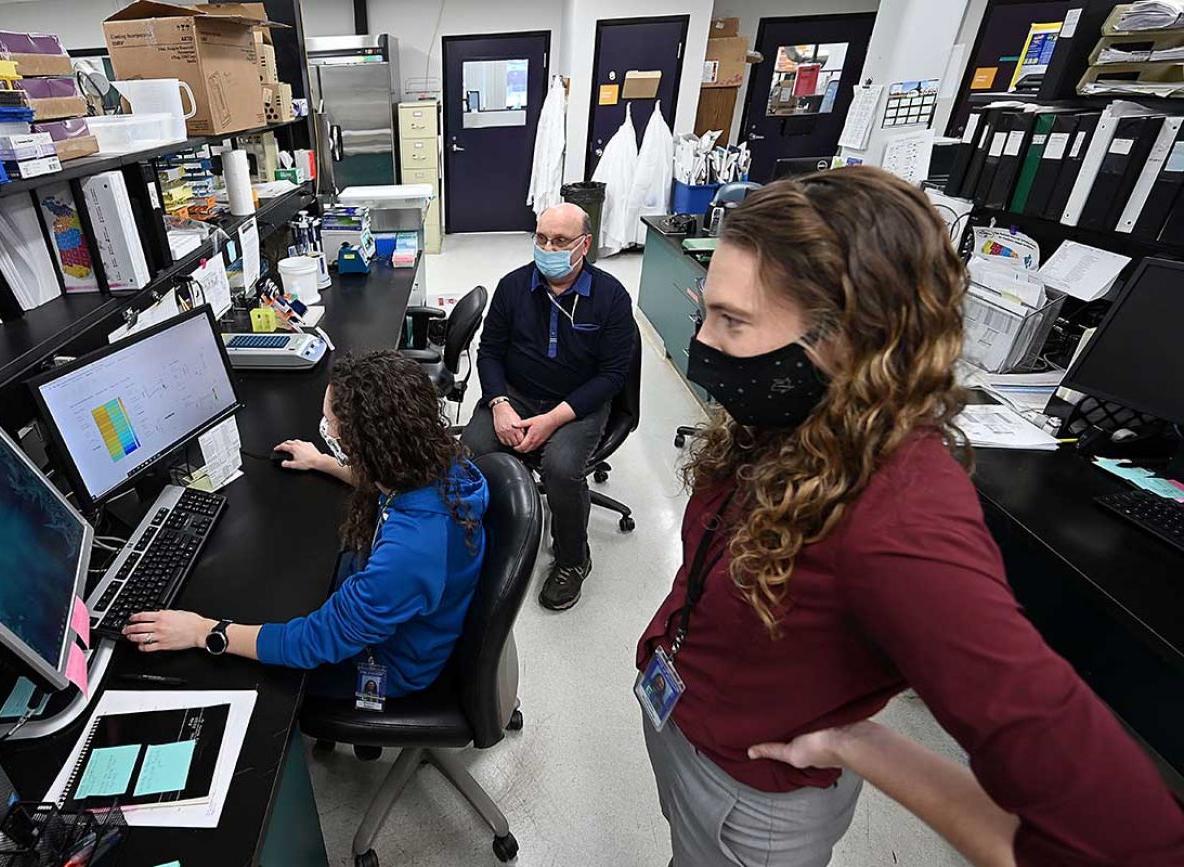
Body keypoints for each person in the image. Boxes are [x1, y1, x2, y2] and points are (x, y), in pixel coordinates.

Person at [635, 166, 1184, 866]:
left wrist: (869, 746)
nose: (703, 341)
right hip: (690, 721)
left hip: (751, 794)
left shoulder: (900, 520)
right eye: (705, 307)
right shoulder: (792, 413)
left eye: (732, 322)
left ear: (853, 338)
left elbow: (1127, 843)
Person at [124, 351, 489, 700]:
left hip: (390, 666)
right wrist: (325, 463)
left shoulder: (411, 552)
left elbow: (313, 643)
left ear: (368, 446)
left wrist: (204, 631)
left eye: (331, 424)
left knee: (239, 671)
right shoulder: (435, 463)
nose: (326, 429)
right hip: (407, 618)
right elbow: (391, 485)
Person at [464, 202, 635, 611]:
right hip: (516, 393)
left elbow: (613, 376)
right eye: (541, 238)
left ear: (585, 245)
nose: (547, 247)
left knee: (561, 467)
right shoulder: (513, 286)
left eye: (559, 241)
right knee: (470, 451)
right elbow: (489, 353)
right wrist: (500, 403)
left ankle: (573, 559)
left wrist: (554, 418)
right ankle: (479, 538)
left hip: (577, 402)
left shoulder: (610, 296)